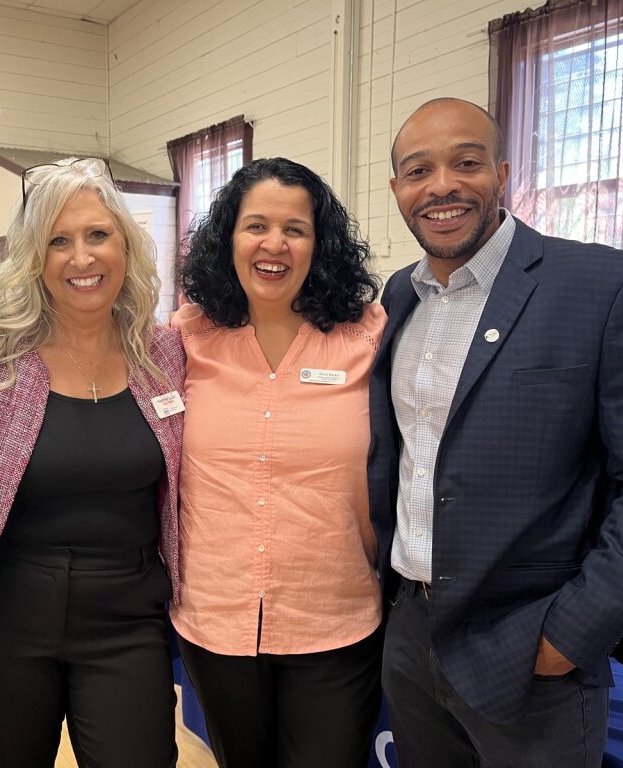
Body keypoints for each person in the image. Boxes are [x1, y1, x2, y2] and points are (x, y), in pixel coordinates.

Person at [369, 97, 623, 768]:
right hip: (407, 632)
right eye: (418, 169)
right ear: (397, 189)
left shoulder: (605, 286)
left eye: (466, 162)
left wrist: (574, 633)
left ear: (503, 172)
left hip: (530, 643)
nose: (442, 186)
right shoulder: (396, 298)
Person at [0, 157, 184, 768]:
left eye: (98, 235)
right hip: (3, 611)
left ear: (125, 245)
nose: (82, 258)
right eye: (59, 241)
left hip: (128, 613)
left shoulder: (165, 351)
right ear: (33, 257)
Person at [171, 157, 385, 768]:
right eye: (255, 225)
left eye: (295, 229)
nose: (274, 244)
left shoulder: (366, 335)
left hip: (335, 617)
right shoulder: (184, 338)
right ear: (228, 239)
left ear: (320, 245)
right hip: (216, 618)